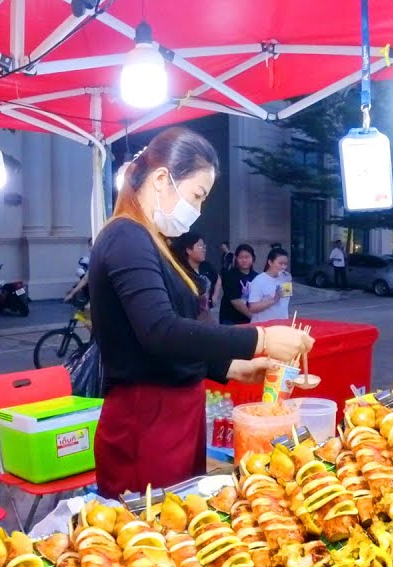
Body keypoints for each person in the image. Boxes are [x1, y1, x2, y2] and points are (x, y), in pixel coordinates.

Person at [87, 128, 312, 496]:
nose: (199, 209)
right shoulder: (126, 237)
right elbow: (160, 331)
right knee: (153, 525)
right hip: (145, 420)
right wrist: (261, 338)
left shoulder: (152, 239)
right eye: (197, 195)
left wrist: (233, 368)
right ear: (162, 179)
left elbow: (173, 339)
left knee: (185, 518)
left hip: (175, 415)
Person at [172, 232, 218, 322]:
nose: (204, 250)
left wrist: (215, 295)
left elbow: (217, 278)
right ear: (189, 250)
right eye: (200, 247)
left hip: (205, 315)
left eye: (204, 247)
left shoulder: (206, 266)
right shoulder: (181, 273)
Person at [247, 248, 292, 323]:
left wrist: (288, 282)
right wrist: (274, 300)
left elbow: (284, 303)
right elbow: (252, 308)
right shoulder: (259, 280)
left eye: (285, 264)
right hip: (263, 326)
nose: (283, 267)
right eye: (280, 263)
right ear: (270, 262)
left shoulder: (285, 278)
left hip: (281, 325)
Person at [219, 244, 257, 325]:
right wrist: (254, 318)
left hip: (250, 320)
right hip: (231, 320)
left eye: (247, 257)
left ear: (253, 258)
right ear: (236, 259)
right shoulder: (229, 276)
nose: (244, 260)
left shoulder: (257, 277)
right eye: (241, 257)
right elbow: (236, 301)